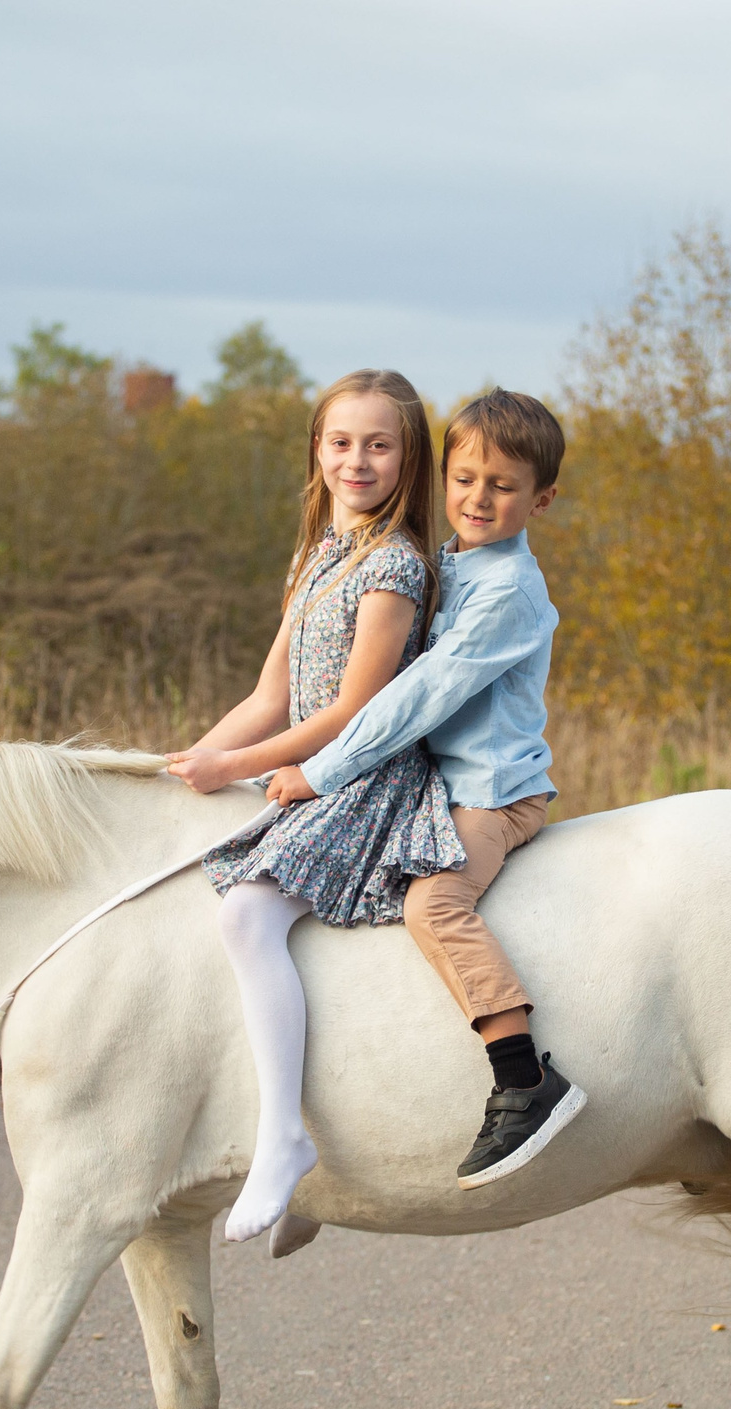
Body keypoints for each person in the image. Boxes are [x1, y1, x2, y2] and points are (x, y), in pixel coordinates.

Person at [167, 369, 465, 1244]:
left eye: (380, 444)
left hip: (361, 777)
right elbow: (273, 695)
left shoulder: (395, 567)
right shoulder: (316, 558)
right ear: (318, 450)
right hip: (300, 762)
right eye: (341, 442)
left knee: (251, 918)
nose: (357, 460)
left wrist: (241, 764)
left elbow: (348, 714)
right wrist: (190, 761)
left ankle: (287, 1139)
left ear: (407, 458)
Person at [272, 388, 583, 1189]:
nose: (479, 498)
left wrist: (323, 770)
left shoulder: (508, 591)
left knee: (431, 904)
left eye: (504, 486)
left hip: (491, 794)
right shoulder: (448, 561)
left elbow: (422, 695)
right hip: (434, 783)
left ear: (540, 499)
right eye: (466, 478)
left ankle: (522, 1078)